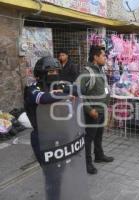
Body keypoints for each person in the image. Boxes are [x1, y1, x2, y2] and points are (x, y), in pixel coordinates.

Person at [24, 57, 83, 199]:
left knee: (61, 173)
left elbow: (79, 89)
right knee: (52, 176)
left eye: (57, 71)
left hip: (60, 136)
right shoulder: (32, 89)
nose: (55, 74)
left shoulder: (58, 86)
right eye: (51, 71)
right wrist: (64, 94)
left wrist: (69, 89)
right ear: (41, 74)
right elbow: (43, 98)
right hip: (43, 138)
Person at [79, 45, 114, 175]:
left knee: (98, 135)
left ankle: (99, 156)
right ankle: (87, 163)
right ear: (95, 57)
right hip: (93, 113)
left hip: (101, 111)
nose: (105, 58)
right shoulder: (86, 73)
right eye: (103, 55)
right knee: (89, 138)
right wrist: (89, 110)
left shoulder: (100, 70)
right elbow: (78, 93)